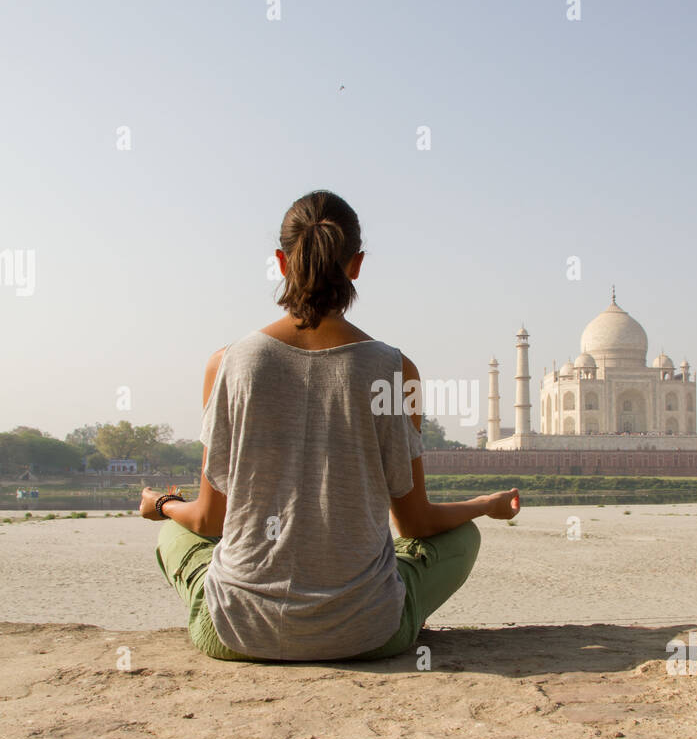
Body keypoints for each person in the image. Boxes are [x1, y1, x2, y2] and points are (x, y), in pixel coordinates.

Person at [139, 191, 519, 662]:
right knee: (465, 536)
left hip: (237, 632)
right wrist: (486, 504)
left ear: (280, 261)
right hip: (369, 633)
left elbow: (209, 521)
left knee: (173, 534)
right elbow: (415, 522)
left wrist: (162, 505)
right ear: (356, 265)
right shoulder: (397, 371)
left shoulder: (228, 364)